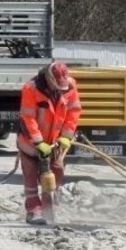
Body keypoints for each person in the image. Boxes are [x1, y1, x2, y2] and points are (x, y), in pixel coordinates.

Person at [17, 61, 82, 225]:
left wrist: (67, 136)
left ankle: (49, 207)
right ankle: (34, 210)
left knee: (56, 172)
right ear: (49, 79)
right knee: (31, 177)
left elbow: (74, 112)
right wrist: (38, 142)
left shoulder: (70, 86)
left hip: (55, 143)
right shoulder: (31, 88)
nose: (61, 90)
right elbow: (28, 118)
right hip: (31, 143)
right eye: (57, 86)